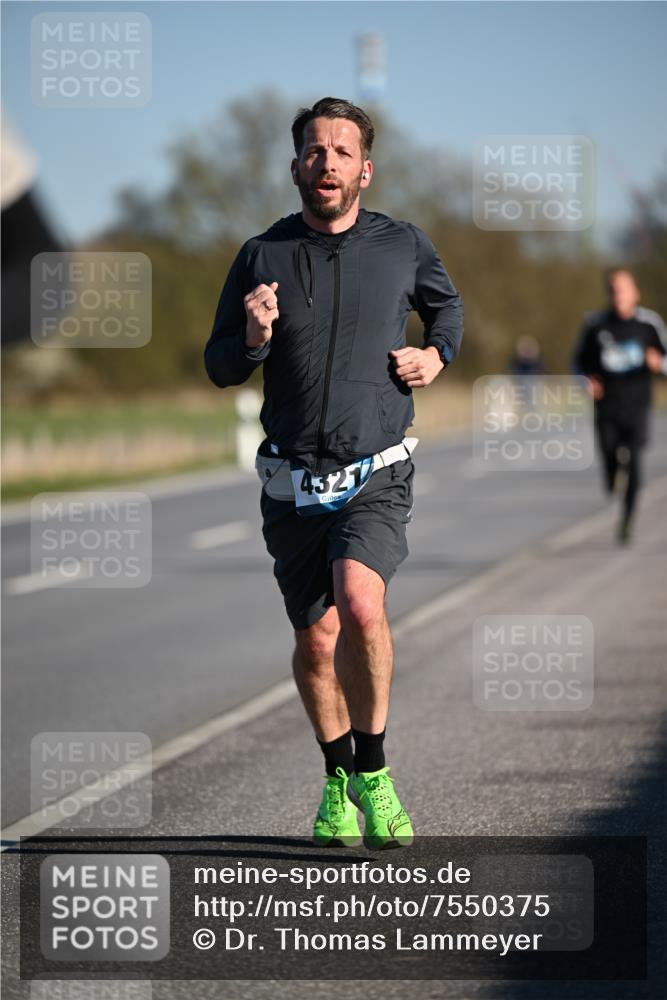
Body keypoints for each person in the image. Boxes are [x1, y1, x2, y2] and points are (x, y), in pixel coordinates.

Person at [204, 96, 463, 850]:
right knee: (315, 642)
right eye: (314, 152)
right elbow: (218, 363)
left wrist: (434, 356)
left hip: (375, 468)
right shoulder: (262, 254)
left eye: (341, 152)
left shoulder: (403, 245)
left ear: (365, 169)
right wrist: (251, 337)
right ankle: (335, 779)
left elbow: (447, 314)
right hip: (291, 480)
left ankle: (375, 774)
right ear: (295, 167)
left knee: (360, 602)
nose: (327, 163)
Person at [573, 268, 666, 544]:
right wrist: (586, 382)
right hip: (606, 407)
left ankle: (627, 520)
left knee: (635, 463)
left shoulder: (649, 324)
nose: (619, 294)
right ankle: (613, 477)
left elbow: (664, 359)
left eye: (624, 288)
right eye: (614, 288)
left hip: (637, 405)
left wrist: (658, 363)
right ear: (608, 292)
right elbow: (577, 363)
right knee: (610, 456)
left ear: (635, 292)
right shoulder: (595, 325)